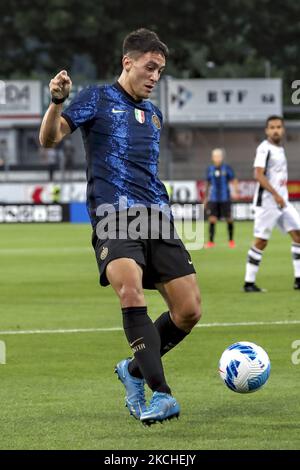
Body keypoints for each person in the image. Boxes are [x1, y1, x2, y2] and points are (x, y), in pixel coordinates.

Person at [39, 28, 201, 425]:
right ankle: (161, 394)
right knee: (130, 291)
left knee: (189, 311)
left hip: (158, 218)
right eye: (149, 67)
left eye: (160, 71)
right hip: (114, 217)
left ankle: (131, 370)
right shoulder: (96, 98)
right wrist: (56, 103)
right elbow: (50, 139)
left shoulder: (156, 116)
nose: (155, 77)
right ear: (128, 62)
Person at [243, 115, 300, 292]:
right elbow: (258, 175)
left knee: (298, 235)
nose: (276, 130)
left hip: (282, 202)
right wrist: (275, 195)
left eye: (278, 127)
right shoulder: (264, 149)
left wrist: (280, 197)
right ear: (267, 130)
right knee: (261, 242)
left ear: (282, 129)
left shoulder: (279, 149)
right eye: (272, 127)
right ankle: (249, 283)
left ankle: (299, 279)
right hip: (267, 203)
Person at [203, 148, 239, 248]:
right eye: (215, 156)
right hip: (213, 199)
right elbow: (207, 184)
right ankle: (211, 242)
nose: (217, 158)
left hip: (225, 198)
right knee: (212, 219)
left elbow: (234, 179)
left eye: (219, 156)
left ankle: (231, 241)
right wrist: (205, 198)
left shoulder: (227, 168)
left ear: (222, 157)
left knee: (229, 219)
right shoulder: (210, 169)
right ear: (212, 158)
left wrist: (236, 191)